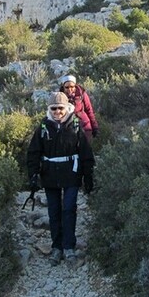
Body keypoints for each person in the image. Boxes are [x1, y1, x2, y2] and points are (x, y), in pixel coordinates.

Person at [26, 92, 95, 266]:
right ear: (50, 109)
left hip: (71, 174)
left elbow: (86, 153)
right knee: (54, 211)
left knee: (69, 209)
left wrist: (88, 177)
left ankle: (69, 246)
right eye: (54, 108)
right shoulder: (43, 127)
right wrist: (33, 176)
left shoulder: (75, 125)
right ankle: (57, 247)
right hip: (50, 175)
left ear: (67, 108)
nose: (57, 111)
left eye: (60, 108)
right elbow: (33, 153)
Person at [59, 75, 99, 142]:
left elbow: (89, 110)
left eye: (72, 87)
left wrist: (95, 127)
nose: (69, 89)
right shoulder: (60, 97)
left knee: (85, 149)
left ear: (75, 86)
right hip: (68, 128)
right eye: (67, 87)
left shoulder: (81, 94)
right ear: (63, 87)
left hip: (85, 126)